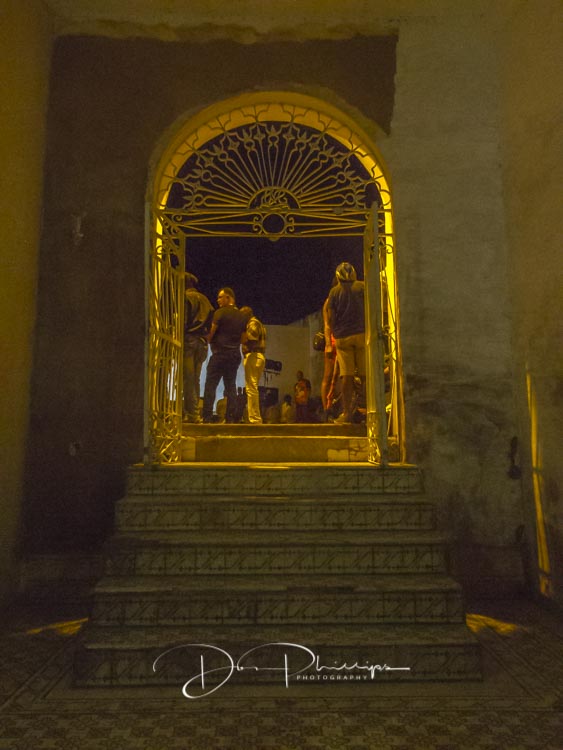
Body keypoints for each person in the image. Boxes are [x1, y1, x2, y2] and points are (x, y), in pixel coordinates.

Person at [326, 262, 365, 424]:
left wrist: (334, 333)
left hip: (343, 337)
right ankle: (367, 409)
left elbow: (331, 317)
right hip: (362, 334)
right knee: (364, 375)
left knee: (346, 376)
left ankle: (347, 413)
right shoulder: (362, 287)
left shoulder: (334, 292)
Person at [202, 287, 246, 423]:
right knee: (231, 386)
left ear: (229, 298)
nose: (218, 300)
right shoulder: (242, 316)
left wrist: (207, 340)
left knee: (210, 385)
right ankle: (230, 418)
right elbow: (244, 339)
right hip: (234, 354)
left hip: (220, 354)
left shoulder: (219, 313)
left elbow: (211, 333)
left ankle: (207, 416)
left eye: (221, 297)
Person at [183, 272, 214, 423]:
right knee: (195, 379)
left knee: (188, 379)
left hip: (189, 340)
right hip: (202, 342)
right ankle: (194, 411)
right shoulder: (205, 300)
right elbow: (210, 323)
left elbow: (183, 322)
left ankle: (192, 414)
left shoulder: (186, 298)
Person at [240, 306, 267, 424]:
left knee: (251, 388)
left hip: (253, 355)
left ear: (247, 315)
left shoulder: (253, 323)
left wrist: (242, 339)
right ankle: (254, 417)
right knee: (253, 387)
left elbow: (252, 339)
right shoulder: (258, 323)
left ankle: (254, 418)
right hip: (257, 355)